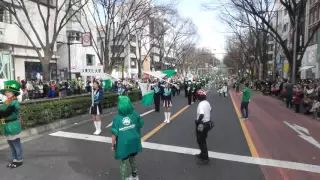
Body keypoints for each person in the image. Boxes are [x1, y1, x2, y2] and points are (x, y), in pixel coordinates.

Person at [111, 96, 144, 180]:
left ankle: (123, 178)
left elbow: (114, 134)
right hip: (134, 141)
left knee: (123, 162)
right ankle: (134, 175)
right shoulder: (135, 114)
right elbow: (141, 124)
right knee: (132, 158)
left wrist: (112, 145)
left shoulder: (117, 118)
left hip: (123, 143)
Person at [0, 80, 23, 168]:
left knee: (16, 144)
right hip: (7, 125)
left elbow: (5, 113)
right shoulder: (7, 102)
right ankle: (15, 159)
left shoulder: (14, 102)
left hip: (13, 125)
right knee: (11, 145)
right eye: (6, 91)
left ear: (14, 92)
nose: (7, 93)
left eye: (9, 91)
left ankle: (19, 160)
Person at [195, 89, 213, 165]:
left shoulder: (201, 104)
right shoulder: (207, 103)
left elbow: (201, 114)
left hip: (202, 124)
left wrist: (198, 121)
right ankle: (202, 154)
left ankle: (205, 158)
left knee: (201, 140)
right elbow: (210, 110)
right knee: (202, 139)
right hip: (208, 123)